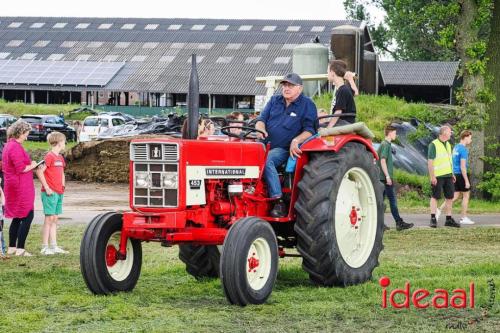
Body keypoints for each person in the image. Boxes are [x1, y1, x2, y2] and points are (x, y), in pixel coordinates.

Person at [255, 73, 317, 217]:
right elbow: (261, 119)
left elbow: (310, 130)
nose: (286, 88)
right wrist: (260, 129)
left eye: (290, 85)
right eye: (284, 85)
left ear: (299, 88)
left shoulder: (307, 104)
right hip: (264, 144)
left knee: (267, 159)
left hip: (285, 149)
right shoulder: (274, 100)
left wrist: (296, 140)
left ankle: (278, 200)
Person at [4, 120, 41, 256]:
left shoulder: (9, 145)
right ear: (20, 132)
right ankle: (20, 248)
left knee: (17, 216)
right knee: (27, 214)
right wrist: (33, 164)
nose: (27, 136)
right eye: (26, 133)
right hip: (20, 185)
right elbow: (21, 168)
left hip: (13, 184)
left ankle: (12, 247)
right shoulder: (15, 147)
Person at [36, 132, 68, 255]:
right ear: (59, 142)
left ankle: (54, 246)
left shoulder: (60, 157)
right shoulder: (49, 156)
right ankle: (44, 247)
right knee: (49, 219)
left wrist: (63, 185)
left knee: (55, 218)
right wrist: (47, 187)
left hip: (59, 192)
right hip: (49, 192)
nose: (65, 144)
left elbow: (62, 173)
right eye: (64, 141)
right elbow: (39, 171)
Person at [377, 126, 414, 231]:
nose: (395, 135)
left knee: (380, 202)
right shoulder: (385, 145)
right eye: (394, 133)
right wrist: (388, 176)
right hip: (385, 179)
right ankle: (399, 223)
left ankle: (380, 224)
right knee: (392, 201)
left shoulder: (385, 144)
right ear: (390, 133)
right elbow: (383, 161)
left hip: (381, 178)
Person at [437, 130, 474, 224]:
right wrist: (466, 180)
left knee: (456, 195)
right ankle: (463, 218)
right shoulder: (463, 150)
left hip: (454, 174)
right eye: (470, 138)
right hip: (461, 174)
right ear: (465, 137)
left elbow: (452, 162)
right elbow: (463, 166)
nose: (471, 140)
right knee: (466, 196)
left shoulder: (456, 147)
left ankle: (439, 210)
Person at [428, 125, 459, 228]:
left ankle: (448, 219)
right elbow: (430, 162)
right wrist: (432, 176)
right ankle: (433, 218)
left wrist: (452, 173)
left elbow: (449, 161)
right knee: (435, 196)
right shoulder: (434, 144)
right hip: (438, 175)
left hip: (448, 175)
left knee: (449, 197)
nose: (451, 133)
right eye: (450, 132)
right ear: (445, 132)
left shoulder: (448, 145)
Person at [327, 60, 358, 128]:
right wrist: (350, 79)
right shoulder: (343, 89)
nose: (327, 74)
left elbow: (338, 112)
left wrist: (328, 128)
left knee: (317, 128)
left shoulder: (343, 90)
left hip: (344, 123)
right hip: (344, 122)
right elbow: (355, 92)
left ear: (332, 73)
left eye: (327, 72)